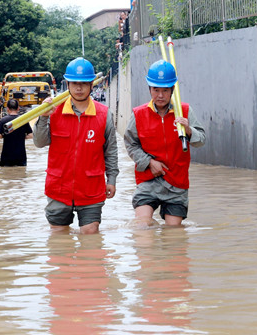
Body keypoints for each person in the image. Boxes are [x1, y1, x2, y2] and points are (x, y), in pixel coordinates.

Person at [33, 57, 118, 234]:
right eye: (75, 83)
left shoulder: (103, 114)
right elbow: (39, 143)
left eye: (84, 84)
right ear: (68, 84)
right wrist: (43, 116)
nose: (79, 88)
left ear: (91, 85)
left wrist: (111, 180)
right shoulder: (54, 111)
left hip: (91, 188)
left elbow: (110, 151)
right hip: (59, 188)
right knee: (59, 238)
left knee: (90, 232)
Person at [124, 60, 206, 227]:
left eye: (165, 90)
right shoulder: (139, 114)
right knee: (142, 225)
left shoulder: (185, 111)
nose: (160, 95)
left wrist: (189, 130)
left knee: (174, 232)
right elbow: (131, 144)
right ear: (149, 89)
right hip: (148, 180)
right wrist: (148, 162)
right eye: (156, 90)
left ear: (172, 90)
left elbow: (201, 140)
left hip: (177, 183)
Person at [0, 98, 32, 167]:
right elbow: (31, 135)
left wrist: (6, 136)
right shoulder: (23, 120)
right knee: (21, 175)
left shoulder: (3, 120)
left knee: (6, 175)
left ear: (7, 109)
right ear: (18, 108)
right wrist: (21, 137)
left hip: (7, 156)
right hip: (20, 155)